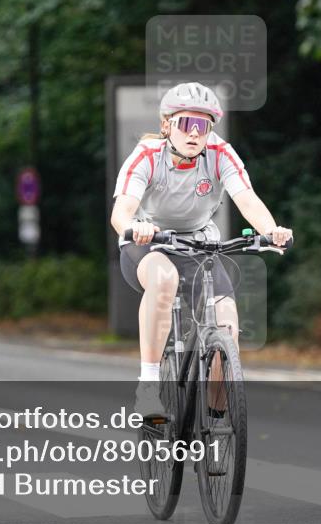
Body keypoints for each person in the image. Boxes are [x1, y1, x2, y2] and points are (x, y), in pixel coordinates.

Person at [110, 82, 292, 417]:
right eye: (186, 124)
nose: (195, 133)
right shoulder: (148, 156)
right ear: (167, 125)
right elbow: (121, 212)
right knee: (164, 281)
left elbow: (246, 198)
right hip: (149, 245)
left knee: (228, 329)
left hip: (198, 244)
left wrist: (271, 231)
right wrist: (136, 228)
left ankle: (217, 425)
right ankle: (149, 387)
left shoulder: (221, 153)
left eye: (203, 126)